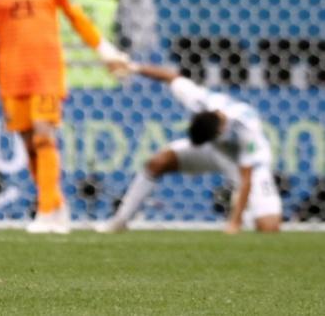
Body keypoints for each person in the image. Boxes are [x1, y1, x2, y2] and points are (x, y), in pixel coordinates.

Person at [0, 0, 129, 234]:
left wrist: (105, 51)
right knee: (29, 143)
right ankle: (56, 204)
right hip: (11, 75)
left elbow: (77, 17)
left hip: (46, 71)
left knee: (44, 134)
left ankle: (45, 213)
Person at [97, 63, 282, 234]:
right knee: (157, 162)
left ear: (220, 132)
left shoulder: (245, 128)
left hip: (248, 165)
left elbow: (246, 177)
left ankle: (247, 213)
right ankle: (120, 221)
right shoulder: (201, 101)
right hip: (214, 150)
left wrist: (235, 221)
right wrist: (132, 67)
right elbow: (171, 77)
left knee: (268, 227)